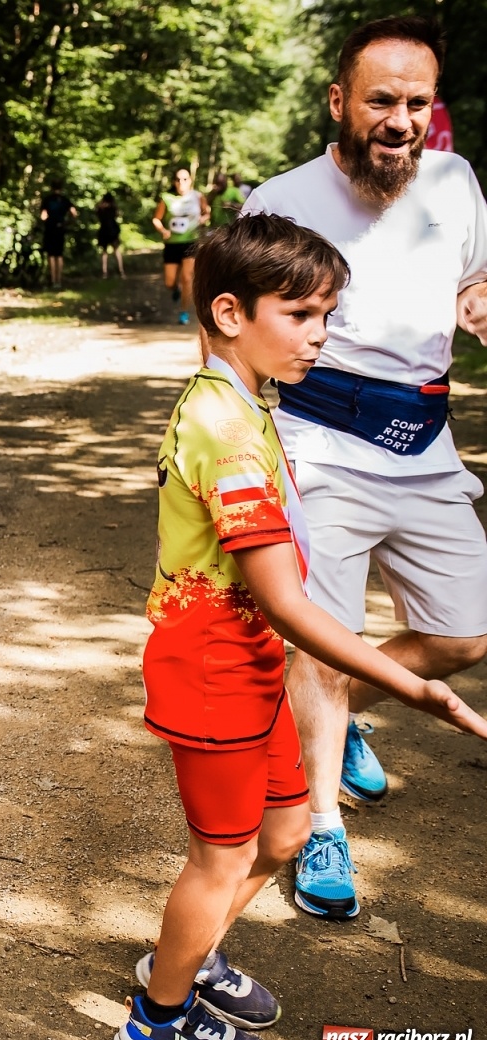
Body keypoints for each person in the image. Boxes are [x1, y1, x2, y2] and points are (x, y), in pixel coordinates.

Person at [120, 214, 486, 1040]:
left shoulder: (244, 398)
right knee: (221, 857)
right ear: (230, 313)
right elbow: (287, 603)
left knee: (284, 834)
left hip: (251, 666)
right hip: (210, 668)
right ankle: (157, 1017)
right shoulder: (225, 432)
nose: (321, 336)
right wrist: (415, 685)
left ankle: (190, 954)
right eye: (301, 315)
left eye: (327, 315)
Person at [241, 15, 487, 922]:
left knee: (466, 634)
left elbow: (473, 276)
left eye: (417, 103)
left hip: (426, 443)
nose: (401, 119)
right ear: (339, 101)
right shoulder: (283, 198)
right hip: (322, 444)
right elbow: (224, 312)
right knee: (317, 637)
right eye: (381, 100)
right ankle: (320, 824)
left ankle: (345, 706)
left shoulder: (457, 181)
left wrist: (479, 301)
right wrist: (222, 418)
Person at [152, 168, 209, 325]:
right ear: (174, 182)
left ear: (190, 180)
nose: (181, 182)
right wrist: (163, 230)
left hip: (191, 242)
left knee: (187, 277)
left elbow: (206, 212)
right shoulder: (166, 198)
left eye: (185, 179)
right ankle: (176, 289)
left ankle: (184, 312)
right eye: (178, 179)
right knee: (169, 283)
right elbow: (156, 219)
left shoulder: (197, 197)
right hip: (172, 244)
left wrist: (203, 219)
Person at [39, 180, 76, 288]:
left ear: (51, 188)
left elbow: (43, 216)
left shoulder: (47, 200)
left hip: (50, 229)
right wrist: (67, 223)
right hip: (61, 229)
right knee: (59, 255)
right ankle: (59, 281)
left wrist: (46, 221)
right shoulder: (65, 200)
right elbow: (74, 213)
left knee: (51, 255)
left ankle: (53, 279)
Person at [95, 192, 124, 279]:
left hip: (104, 231)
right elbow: (117, 215)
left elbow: (97, 215)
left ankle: (104, 272)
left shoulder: (100, 208)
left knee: (104, 252)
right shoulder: (113, 207)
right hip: (113, 230)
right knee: (116, 251)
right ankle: (121, 271)